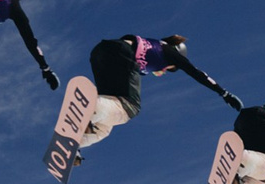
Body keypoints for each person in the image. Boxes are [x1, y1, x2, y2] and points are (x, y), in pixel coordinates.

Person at [73, 33, 242, 152]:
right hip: (120, 53)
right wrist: (224, 93)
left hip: (100, 52)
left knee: (106, 123)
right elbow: (196, 72)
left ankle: (75, 142)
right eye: (169, 70)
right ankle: (90, 106)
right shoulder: (169, 52)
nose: (163, 72)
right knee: (130, 107)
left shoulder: (150, 46)